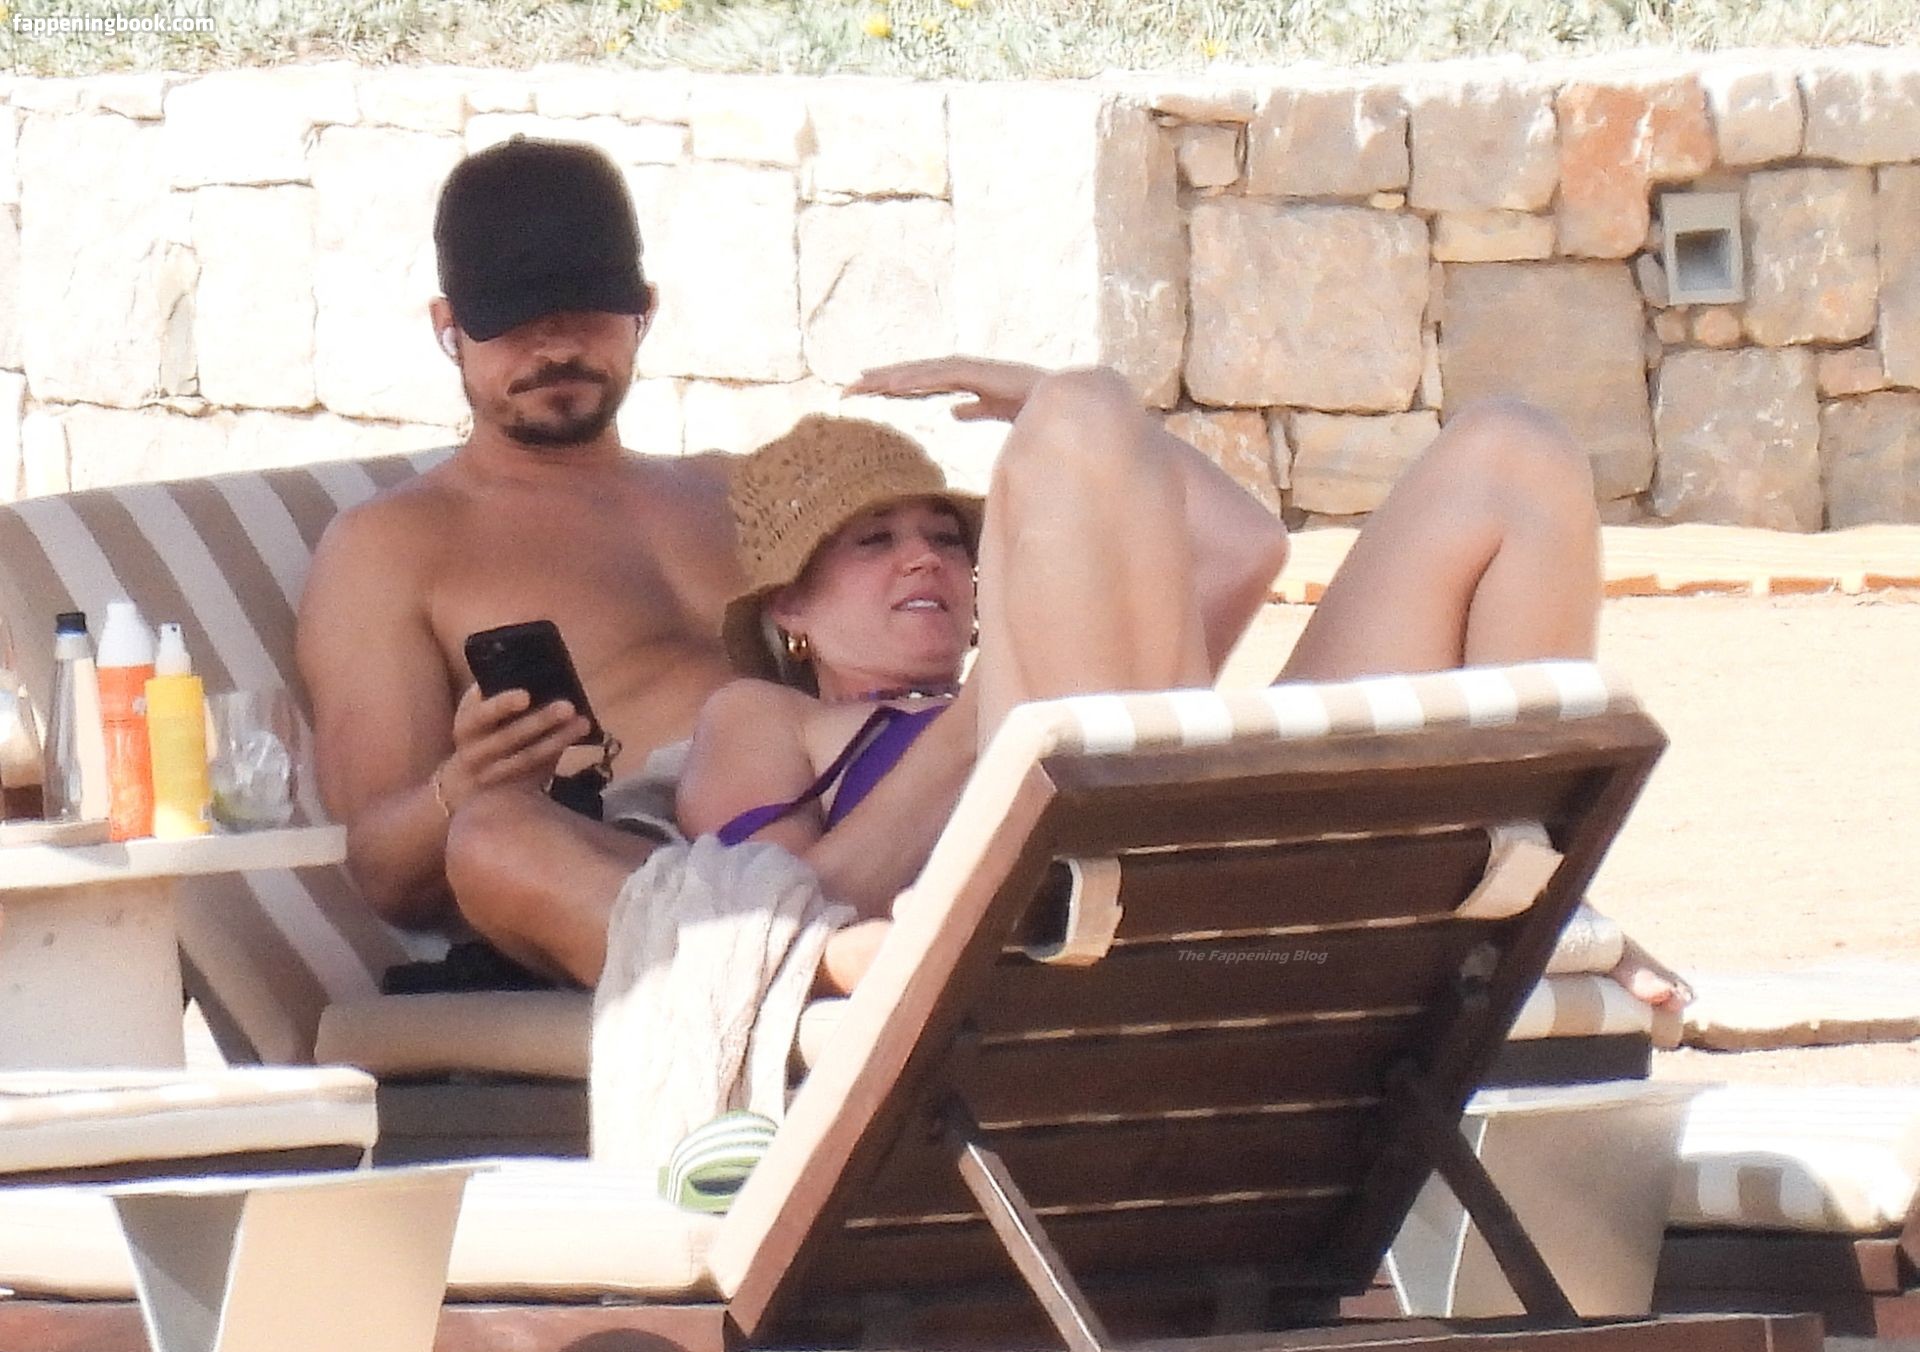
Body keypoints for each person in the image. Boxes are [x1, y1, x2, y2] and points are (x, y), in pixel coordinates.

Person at [674, 358, 1689, 1008]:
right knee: (1085, 407)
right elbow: (777, 919)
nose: (925, 558)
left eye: (946, 536)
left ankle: (1529, 888)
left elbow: (1246, 545)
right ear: (788, 609)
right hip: (1057, 909)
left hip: (1213, 853)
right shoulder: (766, 717)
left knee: (1512, 449)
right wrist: (979, 722)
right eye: (873, 541)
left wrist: (1051, 403)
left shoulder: (1062, 653)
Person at [297, 137, 741, 974]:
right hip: (628, 888)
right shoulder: (393, 546)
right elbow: (384, 869)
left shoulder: (735, 492)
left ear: (644, 311)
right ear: (449, 330)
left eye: (585, 312)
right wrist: (466, 782)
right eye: (515, 322)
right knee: (497, 837)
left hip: (836, 838)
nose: (554, 348)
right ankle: (804, 968)